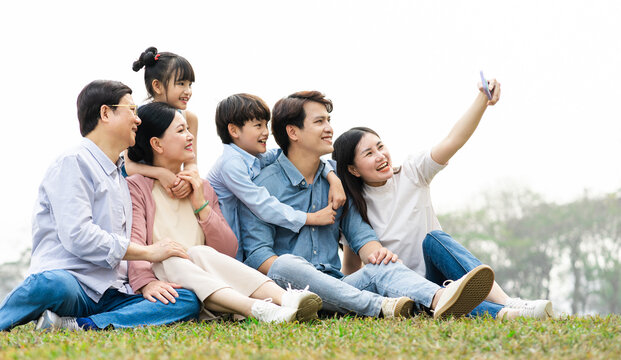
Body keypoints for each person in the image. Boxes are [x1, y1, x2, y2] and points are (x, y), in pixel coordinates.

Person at [238, 91, 496, 320]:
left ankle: (440, 298)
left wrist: (379, 255)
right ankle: (379, 306)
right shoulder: (261, 186)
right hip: (293, 293)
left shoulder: (335, 181)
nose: (329, 128)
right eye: (319, 122)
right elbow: (259, 256)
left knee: (382, 265)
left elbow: (362, 237)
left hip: (341, 285)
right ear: (293, 132)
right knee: (285, 264)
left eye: (328, 120)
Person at [332, 79, 554, 319]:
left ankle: (509, 303)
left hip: (439, 278)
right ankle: (507, 315)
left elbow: (453, 140)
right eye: (368, 153)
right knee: (448, 303)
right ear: (353, 170)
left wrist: (482, 99)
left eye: (380, 146)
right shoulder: (355, 209)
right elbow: (352, 267)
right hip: (407, 291)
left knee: (435, 239)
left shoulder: (412, 173)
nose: (380, 156)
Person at [0, 80, 201, 331]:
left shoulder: (120, 175)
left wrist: (146, 283)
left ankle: (79, 325)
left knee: (185, 300)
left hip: (112, 293)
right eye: (132, 110)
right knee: (49, 283)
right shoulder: (73, 163)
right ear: (106, 113)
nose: (138, 120)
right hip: (73, 285)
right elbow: (79, 236)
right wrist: (148, 252)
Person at [127, 102, 321, 323]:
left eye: (188, 129)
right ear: (157, 144)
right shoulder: (137, 187)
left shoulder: (202, 187)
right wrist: (146, 282)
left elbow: (227, 250)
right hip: (171, 286)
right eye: (181, 131)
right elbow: (134, 244)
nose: (190, 136)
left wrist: (200, 203)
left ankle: (286, 299)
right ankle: (257, 309)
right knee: (170, 257)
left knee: (200, 252)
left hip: (215, 287)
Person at [207, 93, 346, 260]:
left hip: (240, 237)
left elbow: (298, 156)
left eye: (266, 125)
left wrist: (332, 177)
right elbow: (263, 205)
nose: (266, 132)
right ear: (234, 130)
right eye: (258, 125)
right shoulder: (230, 164)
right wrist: (309, 218)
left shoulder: (256, 157)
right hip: (223, 241)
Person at [128, 46, 198, 199]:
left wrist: (188, 178)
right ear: (157, 86)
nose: (188, 91)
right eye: (181, 83)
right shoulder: (138, 117)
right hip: (140, 192)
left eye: (190, 84)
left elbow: (192, 162)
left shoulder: (190, 118)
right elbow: (128, 166)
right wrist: (160, 173)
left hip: (173, 188)